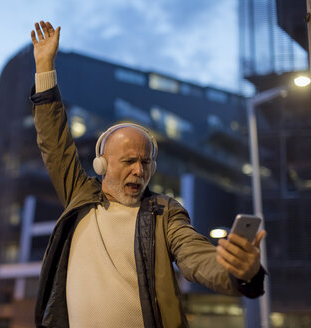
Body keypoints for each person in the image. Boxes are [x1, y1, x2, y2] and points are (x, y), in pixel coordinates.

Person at [29, 20, 266, 328]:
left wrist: (239, 271)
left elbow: (196, 257)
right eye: (128, 161)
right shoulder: (80, 195)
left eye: (145, 162)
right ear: (102, 165)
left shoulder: (164, 214)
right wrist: (45, 65)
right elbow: (54, 141)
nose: (139, 170)